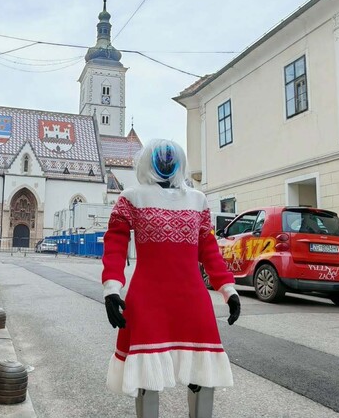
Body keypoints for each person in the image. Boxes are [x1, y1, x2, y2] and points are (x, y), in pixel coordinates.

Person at [101, 139, 241, 418]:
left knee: (203, 376)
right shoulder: (132, 198)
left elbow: (208, 249)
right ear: (148, 162)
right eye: (160, 158)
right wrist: (111, 287)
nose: (165, 163)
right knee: (147, 378)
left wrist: (228, 289)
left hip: (192, 298)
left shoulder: (197, 200)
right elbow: (115, 242)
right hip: (147, 298)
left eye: (170, 158)